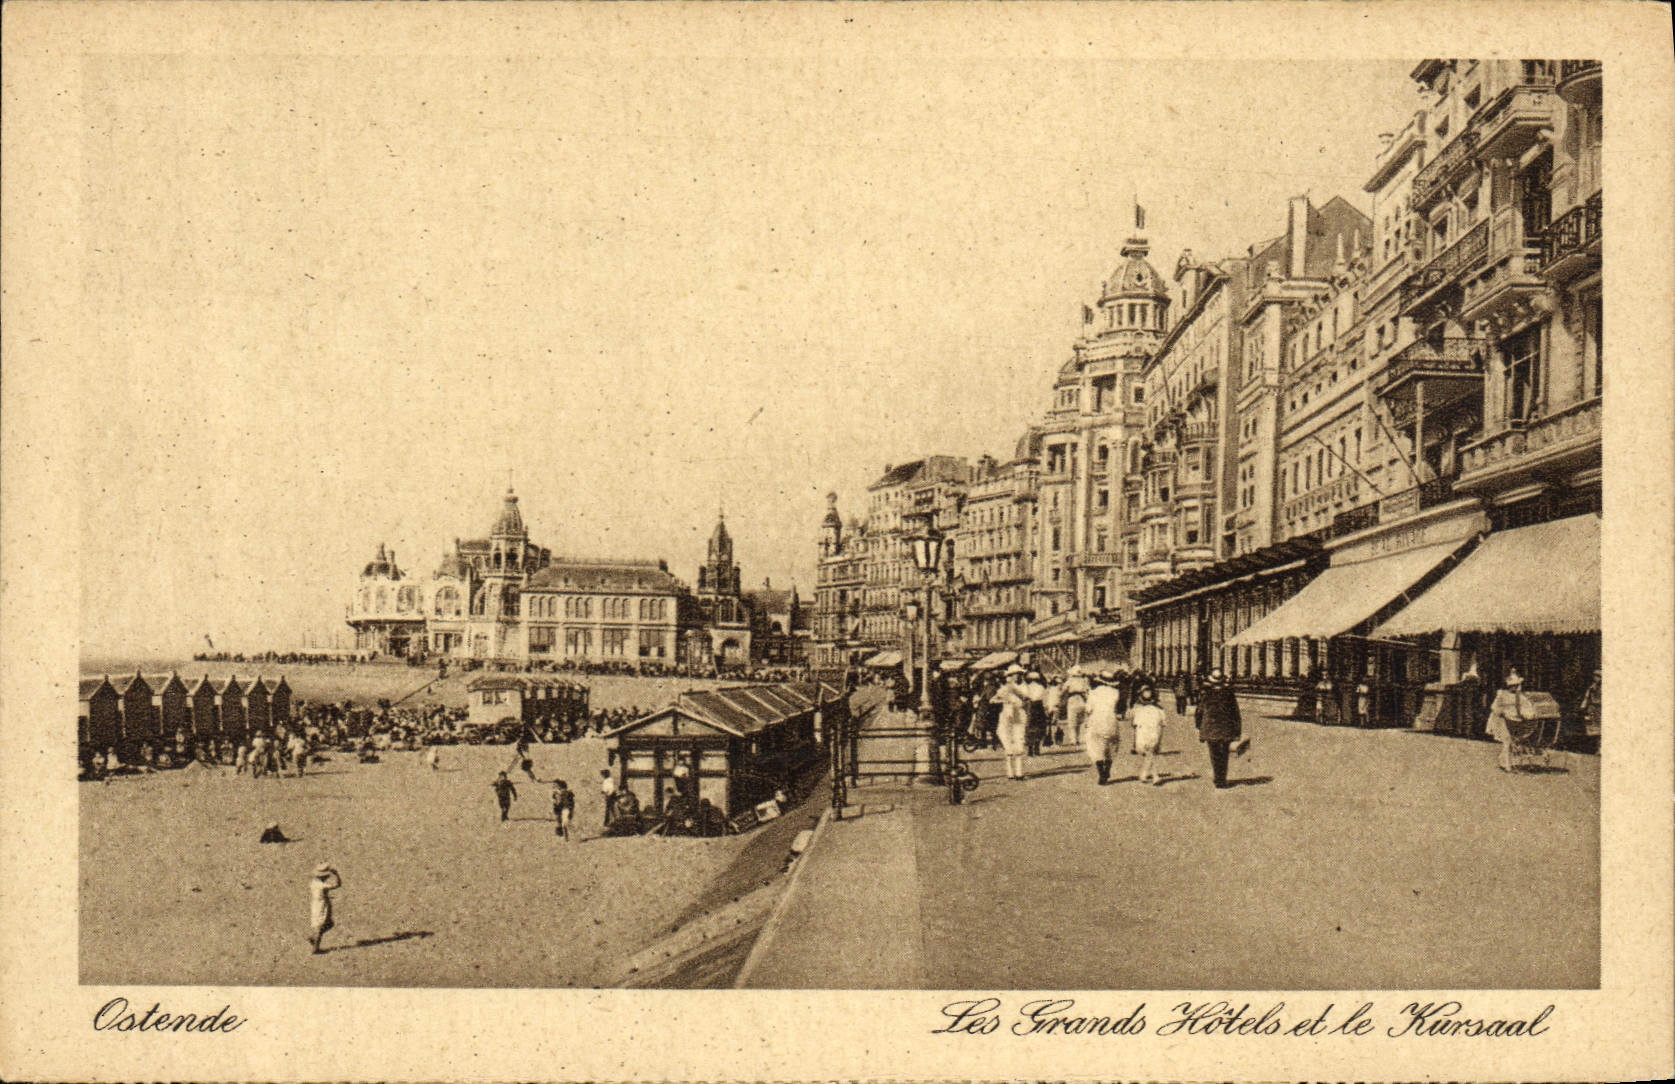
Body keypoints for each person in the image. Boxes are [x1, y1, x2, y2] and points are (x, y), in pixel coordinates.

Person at [1196, 668, 1242, 790]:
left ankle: (1218, 778)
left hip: (1211, 727)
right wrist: (1237, 730)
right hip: (1226, 727)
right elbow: (1235, 712)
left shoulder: (1206, 693)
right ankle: (1222, 778)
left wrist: (1199, 726)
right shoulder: (1228, 693)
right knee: (1224, 754)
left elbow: (1199, 711)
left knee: (1215, 753)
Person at [1083, 668, 1123, 785]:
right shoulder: (1115, 693)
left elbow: (1089, 708)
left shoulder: (1093, 692)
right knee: (1111, 746)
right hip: (1111, 720)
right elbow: (1118, 708)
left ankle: (1101, 773)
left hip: (1096, 720)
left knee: (1095, 746)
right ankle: (1108, 769)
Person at [1486, 669, 1530, 773]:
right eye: (1512, 685)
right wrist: (1500, 711)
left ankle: (1504, 761)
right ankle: (1508, 766)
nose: (1514, 687)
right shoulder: (1502, 694)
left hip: (1515, 720)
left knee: (1513, 742)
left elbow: (1526, 706)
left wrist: (1527, 713)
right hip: (1504, 720)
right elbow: (1494, 706)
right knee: (1507, 742)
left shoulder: (1520, 696)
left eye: (1516, 685)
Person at [992, 665, 1031, 780]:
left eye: (1019, 674)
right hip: (1007, 715)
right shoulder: (1005, 688)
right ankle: (1010, 772)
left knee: (1019, 742)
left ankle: (1019, 773)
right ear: (1010, 676)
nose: (1018, 676)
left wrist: (1014, 692)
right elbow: (993, 699)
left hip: (1019, 716)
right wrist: (1004, 700)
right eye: (1015, 674)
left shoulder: (1024, 687)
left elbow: (1027, 699)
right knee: (1008, 743)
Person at [1129, 684, 1167, 786]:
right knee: (1148, 753)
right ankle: (1144, 773)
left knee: (1150, 752)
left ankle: (1155, 776)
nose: (1147, 694)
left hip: (1154, 731)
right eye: (1145, 692)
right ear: (1141, 694)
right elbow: (1133, 722)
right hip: (1142, 732)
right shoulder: (1137, 707)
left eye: (1149, 692)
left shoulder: (1158, 708)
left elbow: (1163, 723)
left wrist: (1160, 737)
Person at [309, 864, 342, 954]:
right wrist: (336, 874)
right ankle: (315, 948)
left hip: (316, 904)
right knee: (322, 925)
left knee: (327, 923)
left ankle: (314, 938)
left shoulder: (314, 883)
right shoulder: (322, 885)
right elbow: (337, 884)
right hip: (321, 904)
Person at [1061, 666, 1090, 747]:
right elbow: (1087, 691)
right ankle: (1079, 738)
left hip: (1072, 700)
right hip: (1081, 700)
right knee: (1080, 721)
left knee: (1072, 720)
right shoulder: (1084, 681)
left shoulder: (1069, 681)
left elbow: (1063, 690)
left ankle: (1073, 739)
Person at [1023, 671, 1047, 756]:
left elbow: (1024, 697)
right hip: (1039, 706)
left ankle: (1030, 748)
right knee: (1040, 727)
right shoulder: (1041, 687)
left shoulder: (1026, 687)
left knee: (1029, 727)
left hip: (1030, 706)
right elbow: (1045, 699)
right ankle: (1037, 747)